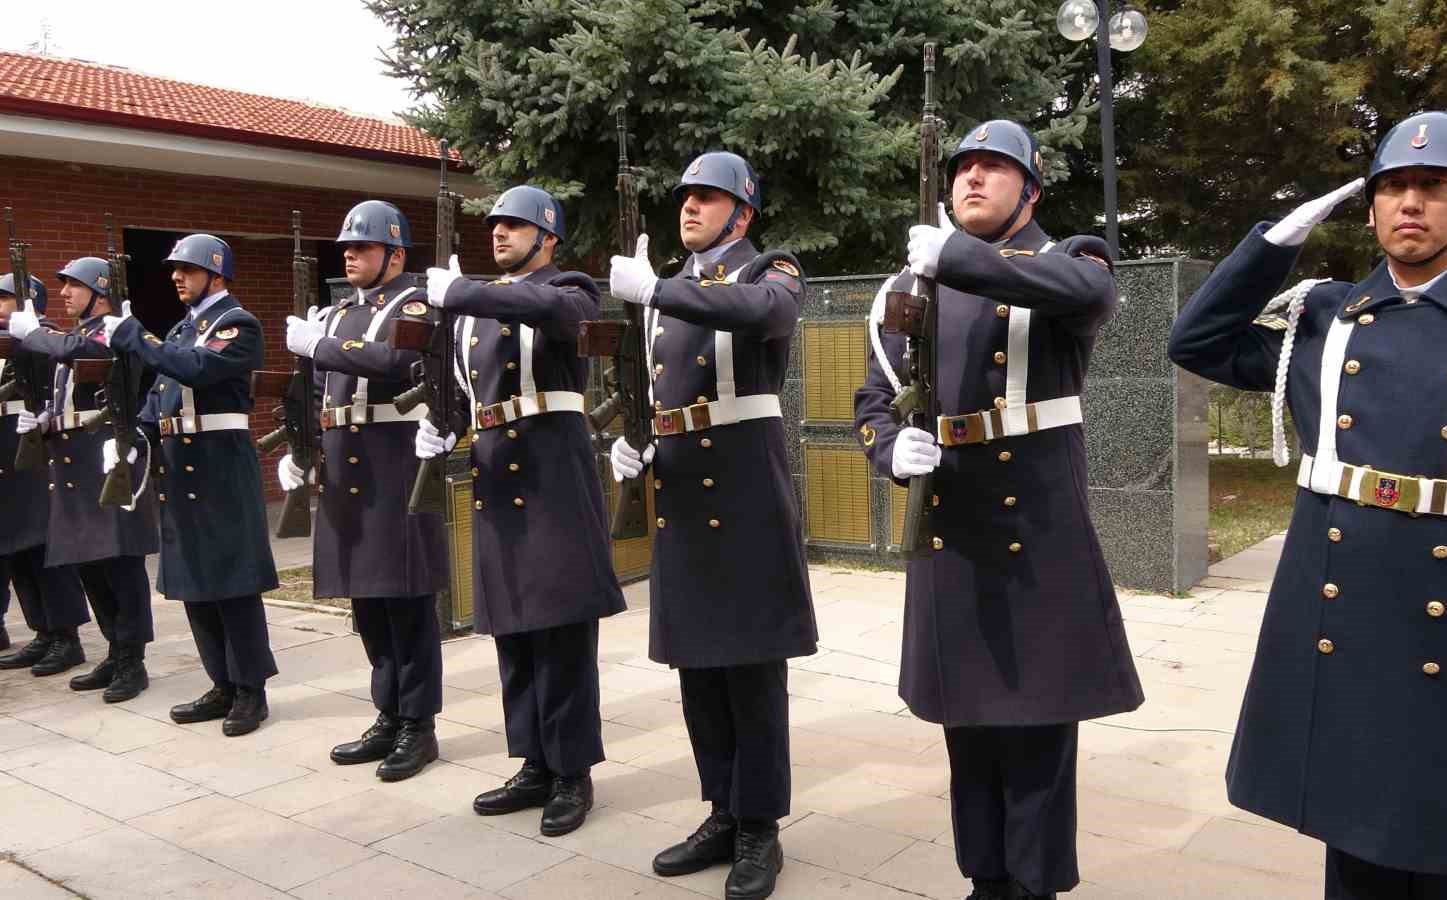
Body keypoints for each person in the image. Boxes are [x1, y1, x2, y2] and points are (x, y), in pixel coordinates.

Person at [1167, 111, 1447, 899]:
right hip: (1339, 615)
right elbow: (1195, 341)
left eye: (1436, 186)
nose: (1411, 202)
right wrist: (1272, 246)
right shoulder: (1326, 315)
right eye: (1393, 186)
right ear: (1368, 206)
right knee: (1351, 832)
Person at [853, 119, 1145, 900]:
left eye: (995, 168)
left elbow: (1090, 295)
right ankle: (986, 878)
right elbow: (875, 399)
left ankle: (1034, 884)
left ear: (1032, 189)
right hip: (951, 526)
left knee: (1040, 730)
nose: (974, 179)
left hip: (1034, 532)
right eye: (964, 169)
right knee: (968, 728)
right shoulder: (908, 286)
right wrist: (889, 449)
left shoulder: (1068, 259)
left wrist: (959, 258)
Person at [607, 151, 817, 900]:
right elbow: (653, 383)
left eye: (709, 198)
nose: (690, 208)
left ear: (743, 214)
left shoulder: (771, 269)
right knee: (698, 665)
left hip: (745, 484)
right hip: (686, 491)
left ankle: (761, 827)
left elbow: (769, 316)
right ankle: (722, 810)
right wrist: (635, 437)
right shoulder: (672, 290)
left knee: (753, 667)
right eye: (686, 198)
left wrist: (661, 289)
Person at [417, 185, 624, 835]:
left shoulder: (571, 290)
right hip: (496, 474)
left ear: (549, 238)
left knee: (561, 633)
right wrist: (441, 429)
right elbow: (455, 386)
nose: (500, 233)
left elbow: (546, 311)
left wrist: (463, 293)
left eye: (516, 225)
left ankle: (571, 771)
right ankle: (533, 760)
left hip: (552, 476)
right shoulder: (473, 309)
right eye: (496, 225)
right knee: (514, 629)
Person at [281, 201, 447, 780]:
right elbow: (316, 391)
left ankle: (418, 725)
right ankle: (388, 712)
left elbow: (398, 359)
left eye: (363, 246)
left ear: (395, 254)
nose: (349, 254)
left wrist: (318, 345)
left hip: (393, 465)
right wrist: (300, 452)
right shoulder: (334, 314)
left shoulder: (416, 302)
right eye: (346, 247)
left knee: (406, 601)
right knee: (368, 605)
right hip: (346, 470)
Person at [105, 234, 280, 736]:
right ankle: (221, 682)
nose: (177, 276)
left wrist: (134, 333)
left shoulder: (236, 324)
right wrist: (134, 436)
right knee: (196, 583)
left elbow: (195, 370)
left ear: (216, 272)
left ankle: (250, 690)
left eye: (187, 268)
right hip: (180, 467)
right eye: (174, 269)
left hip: (220, 467)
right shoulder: (185, 327)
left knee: (233, 582)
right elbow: (162, 393)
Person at [11, 258, 159, 700]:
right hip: (73, 463)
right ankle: (114, 650)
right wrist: (45, 421)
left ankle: (132, 659)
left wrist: (34, 331)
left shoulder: (113, 331)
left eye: (73, 285)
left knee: (120, 563)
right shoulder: (76, 336)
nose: (63, 293)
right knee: (89, 562)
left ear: (99, 290)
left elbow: (77, 349)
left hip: (105, 458)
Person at [0, 273, 91, 674]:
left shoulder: (44, 338)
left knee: (44, 550)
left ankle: (66, 635)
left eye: (4, 300)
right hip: (8, 455)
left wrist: (30, 334)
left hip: (36, 456)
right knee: (17, 550)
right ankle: (42, 632)